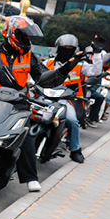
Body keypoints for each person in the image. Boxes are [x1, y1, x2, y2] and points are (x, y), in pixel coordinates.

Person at [0, 16, 76, 192]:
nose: (27, 40)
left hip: (19, 103)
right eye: (23, 36)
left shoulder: (29, 57)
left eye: (28, 37)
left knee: (26, 134)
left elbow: (46, 79)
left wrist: (66, 68)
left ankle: (30, 178)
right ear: (10, 33)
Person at [45, 34, 87, 163]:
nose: (66, 50)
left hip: (65, 101)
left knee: (72, 121)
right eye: (64, 48)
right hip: (46, 98)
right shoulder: (48, 62)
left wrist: (96, 53)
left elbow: (94, 71)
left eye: (70, 48)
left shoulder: (80, 65)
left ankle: (75, 149)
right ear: (58, 48)